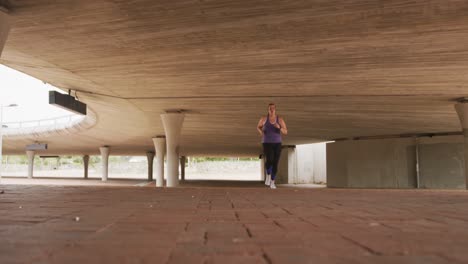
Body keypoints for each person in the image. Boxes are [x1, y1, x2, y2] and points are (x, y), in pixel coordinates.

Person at [257, 103, 288, 189]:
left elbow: (285, 132)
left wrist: (279, 127)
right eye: (270, 108)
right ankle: (268, 175)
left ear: (275, 109)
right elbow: (258, 127)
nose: (271, 110)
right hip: (266, 142)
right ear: (268, 109)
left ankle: (272, 182)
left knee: (275, 163)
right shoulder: (263, 119)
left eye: (273, 108)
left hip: (277, 143)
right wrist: (261, 132)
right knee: (269, 159)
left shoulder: (280, 119)